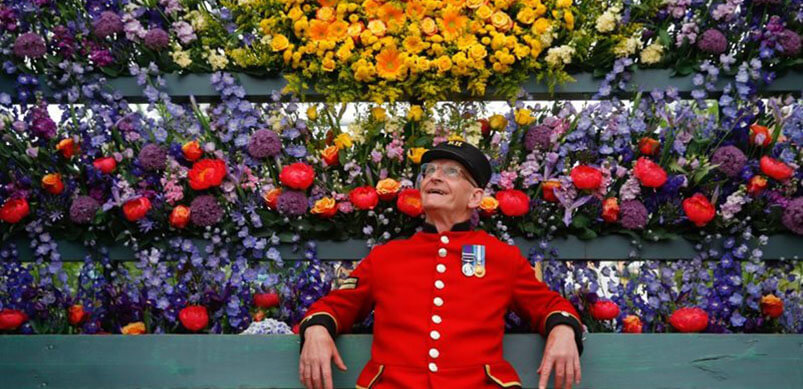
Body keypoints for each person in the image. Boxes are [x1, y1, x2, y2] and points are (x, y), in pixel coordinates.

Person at [298, 140, 585, 389]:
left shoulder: (500, 257)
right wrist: (317, 328)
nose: (435, 177)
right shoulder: (385, 257)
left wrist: (562, 329)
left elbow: (547, 304)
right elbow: (337, 304)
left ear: (475, 197)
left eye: (451, 172)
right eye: (429, 171)